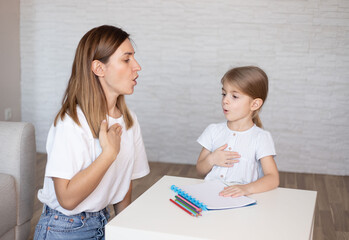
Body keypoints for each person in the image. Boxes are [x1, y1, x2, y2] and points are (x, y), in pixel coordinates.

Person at [34, 25, 150, 240]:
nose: (137, 66)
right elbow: (67, 199)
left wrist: (124, 230)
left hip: (103, 221)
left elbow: (124, 182)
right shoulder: (71, 122)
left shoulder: (129, 119)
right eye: (127, 59)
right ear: (99, 68)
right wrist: (108, 154)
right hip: (64, 228)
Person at [196, 66, 279, 198]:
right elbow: (200, 169)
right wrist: (212, 159)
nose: (225, 101)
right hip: (210, 195)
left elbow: (273, 178)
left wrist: (246, 189)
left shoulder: (261, 137)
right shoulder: (213, 130)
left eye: (234, 96)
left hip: (242, 199)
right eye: (224, 94)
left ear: (255, 104)